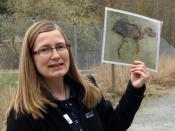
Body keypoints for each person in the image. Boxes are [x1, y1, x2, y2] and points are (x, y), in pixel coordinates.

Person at [6, 20, 149, 131]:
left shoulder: (87, 89)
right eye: (45, 49)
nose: (56, 55)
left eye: (60, 46)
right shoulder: (22, 115)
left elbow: (114, 126)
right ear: (30, 58)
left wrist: (134, 89)